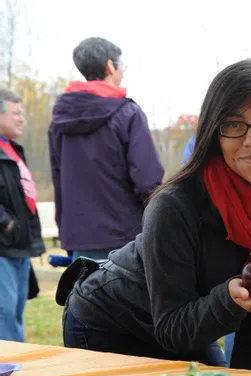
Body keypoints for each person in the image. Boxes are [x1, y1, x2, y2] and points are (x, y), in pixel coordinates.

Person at [60, 59, 251, 376]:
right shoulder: (175, 205)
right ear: (214, 136)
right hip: (108, 321)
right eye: (233, 125)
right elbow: (171, 328)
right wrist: (229, 301)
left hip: (187, 322)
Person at [48, 37, 164, 261]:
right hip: (126, 238)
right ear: (110, 66)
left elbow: (58, 178)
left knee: (88, 296)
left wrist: (66, 231)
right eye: (122, 66)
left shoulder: (59, 120)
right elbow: (147, 180)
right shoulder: (128, 113)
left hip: (80, 236)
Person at [0, 89, 45, 342]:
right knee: (4, 315)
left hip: (19, 246)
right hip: (3, 247)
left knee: (15, 313)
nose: (22, 119)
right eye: (16, 113)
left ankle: (14, 370)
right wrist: (6, 223)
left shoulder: (12, 149)